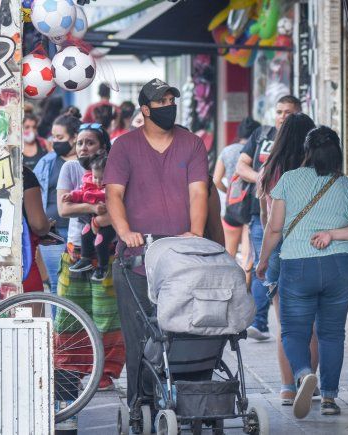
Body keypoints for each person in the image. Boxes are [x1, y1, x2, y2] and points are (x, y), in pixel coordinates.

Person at [103, 78, 209, 427]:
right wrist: (125, 232)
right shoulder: (124, 146)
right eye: (161, 102)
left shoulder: (192, 144)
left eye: (171, 100)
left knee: (188, 333)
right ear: (145, 110)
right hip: (137, 259)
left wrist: (195, 232)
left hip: (182, 259)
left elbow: (199, 192)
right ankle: (140, 405)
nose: (168, 106)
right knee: (139, 339)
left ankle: (190, 399)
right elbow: (114, 194)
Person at [256, 126, 348, 419]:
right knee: (332, 333)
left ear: (307, 151)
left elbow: (274, 228)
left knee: (293, 330)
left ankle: (303, 373)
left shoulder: (289, 180)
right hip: (339, 268)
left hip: (298, 265)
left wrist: (262, 260)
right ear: (336, 153)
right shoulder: (347, 186)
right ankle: (330, 398)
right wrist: (334, 234)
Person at [257, 113, 322, 406]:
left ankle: (287, 388)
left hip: (280, 249)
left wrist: (262, 258)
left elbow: (267, 220)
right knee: (312, 324)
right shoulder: (319, 170)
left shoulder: (270, 170)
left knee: (286, 324)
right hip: (313, 247)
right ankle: (309, 381)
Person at [57, 122, 125, 390]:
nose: (84, 148)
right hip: (75, 253)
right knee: (70, 314)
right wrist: (93, 208)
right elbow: (64, 210)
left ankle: (104, 373)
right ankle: (69, 370)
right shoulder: (70, 169)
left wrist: (93, 214)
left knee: (106, 316)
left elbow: (119, 209)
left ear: (103, 147)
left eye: (90, 143)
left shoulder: (114, 169)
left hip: (107, 254)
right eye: (80, 143)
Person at [236, 95, 302, 341]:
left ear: (299, 114)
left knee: (286, 270)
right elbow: (241, 166)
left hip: (296, 218)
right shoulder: (262, 135)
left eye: (288, 112)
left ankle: (288, 325)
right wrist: (263, 179)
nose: (283, 116)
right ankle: (260, 322)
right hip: (260, 212)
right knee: (263, 267)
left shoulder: (305, 139)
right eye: (279, 111)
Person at [34, 109, 81, 294]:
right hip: (53, 233)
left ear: (75, 137)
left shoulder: (88, 162)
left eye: (60, 137)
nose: (55, 142)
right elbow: (34, 193)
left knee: (79, 284)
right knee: (56, 284)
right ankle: (58, 316)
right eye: (53, 137)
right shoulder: (47, 162)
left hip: (81, 231)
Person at [63, 154, 117, 281]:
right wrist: (72, 196)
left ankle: (102, 267)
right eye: (95, 177)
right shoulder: (90, 184)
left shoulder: (113, 189)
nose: (98, 181)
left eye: (102, 178)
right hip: (93, 220)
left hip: (109, 225)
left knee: (100, 241)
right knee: (85, 232)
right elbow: (82, 193)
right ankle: (85, 259)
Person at [213, 117, 260, 256]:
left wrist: (229, 191)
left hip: (233, 204)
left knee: (228, 252)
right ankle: (245, 271)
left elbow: (216, 180)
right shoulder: (256, 150)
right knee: (248, 254)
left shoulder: (227, 151)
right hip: (251, 205)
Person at [23, 165, 52, 293]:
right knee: (27, 307)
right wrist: (47, 227)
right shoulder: (22, 173)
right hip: (22, 267)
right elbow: (39, 225)